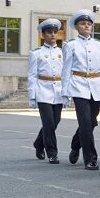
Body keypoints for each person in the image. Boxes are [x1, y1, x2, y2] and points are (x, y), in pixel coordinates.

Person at [61, 10, 100, 170]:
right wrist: (65, 92)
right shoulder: (70, 45)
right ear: (76, 27)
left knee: (91, 122)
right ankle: (90, 158)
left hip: (95, 86)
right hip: (79, 86)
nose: (86, 26)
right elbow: (66, 69)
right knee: (86, 123)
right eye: (82, 23)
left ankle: (76, 145)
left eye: (88, 24)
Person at [28, 19, 65, 163]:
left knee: (55, 121)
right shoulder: (36, 53)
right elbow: (32, 75)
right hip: (43, 90)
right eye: (49, 32)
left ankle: (38, 143)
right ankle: (52, 153)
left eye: (55, 32)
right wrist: (32, 96)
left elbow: (66, 74)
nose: (53, 35)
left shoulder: (62, 52)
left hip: (58, 90)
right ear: (43, 35)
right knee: (48, 122)